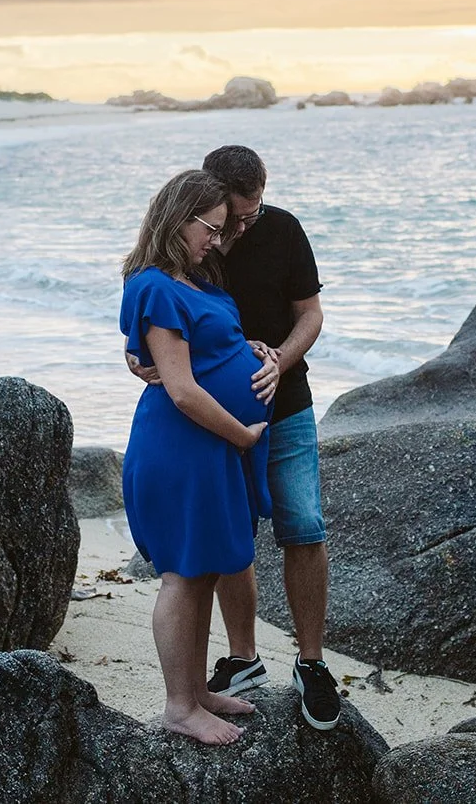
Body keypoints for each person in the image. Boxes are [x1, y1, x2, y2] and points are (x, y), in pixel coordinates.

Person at [128, 145, 339, 732]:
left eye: (250, 215)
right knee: (218, 545)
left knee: (302, 524)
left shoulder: (277, 232)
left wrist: (276, 361)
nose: (238, 231)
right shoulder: (186, 258)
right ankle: (236, 663)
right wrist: (141, 358)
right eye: (228, 221)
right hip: (209, 433)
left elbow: (309, 314)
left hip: (280, 410)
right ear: (204, 203)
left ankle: (309, 663)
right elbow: (162, 337)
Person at [119, 169, 273, 745]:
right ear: (178, 220)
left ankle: (197, 691)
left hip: (207, 449)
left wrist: (244, 348)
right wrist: (243, 436)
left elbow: (206, 348)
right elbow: (181, 389)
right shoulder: (155, 286)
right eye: (209, 227)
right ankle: (179, 706)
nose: (216, 239)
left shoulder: (193, 282)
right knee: (184, 576)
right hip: (182, 448)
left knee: (204, 569)